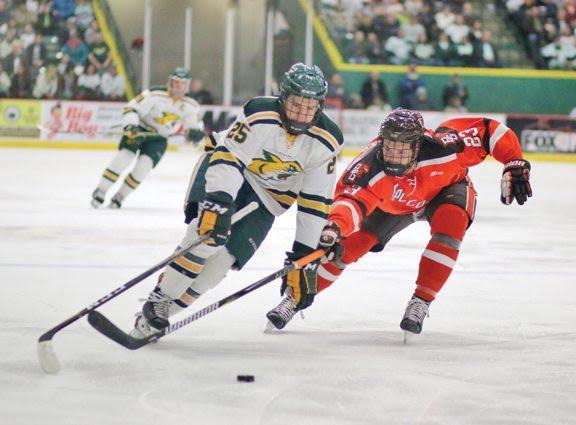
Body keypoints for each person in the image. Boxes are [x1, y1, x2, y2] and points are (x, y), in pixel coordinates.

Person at [266, 108, 533, 336]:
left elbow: (490, 131)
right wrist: (334, 229)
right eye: (389, 145)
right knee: (349, 247)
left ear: (417, 146)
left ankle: (421, 301)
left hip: (445, 190)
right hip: (391, 205)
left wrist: (514, 159)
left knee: (450, 227)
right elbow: (348, 204)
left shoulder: (447, 147)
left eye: (402, 147)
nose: (393, 153)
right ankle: (294, 298)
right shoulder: (367, 169)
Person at [129, 63, 343, 338]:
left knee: (217, 268)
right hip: (230, 175)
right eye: (296, 103)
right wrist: (219, 200)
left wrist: (304, 253)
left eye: (310, 106)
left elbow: (316, 201)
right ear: (283, 97)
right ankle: (159, 299)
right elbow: (230, 158)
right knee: (207, 238)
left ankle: (156, 320)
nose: (302, 112)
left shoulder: (327, 139)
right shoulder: (259, 113)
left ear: (320, 106)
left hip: (269, 200)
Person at [90, 68, 205, 209]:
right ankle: (101, 191)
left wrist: (195, 134)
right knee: (123, 158)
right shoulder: (154, 94)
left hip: (159, 138)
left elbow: (193, 127)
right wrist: (131, 126)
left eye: (182, 83)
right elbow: (131, 108)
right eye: (175, 82)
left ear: (187, 85)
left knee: (143, 167)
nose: (178, 86)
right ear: (170, 81)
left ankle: (119, 197)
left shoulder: (191, 105)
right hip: (140, 131)